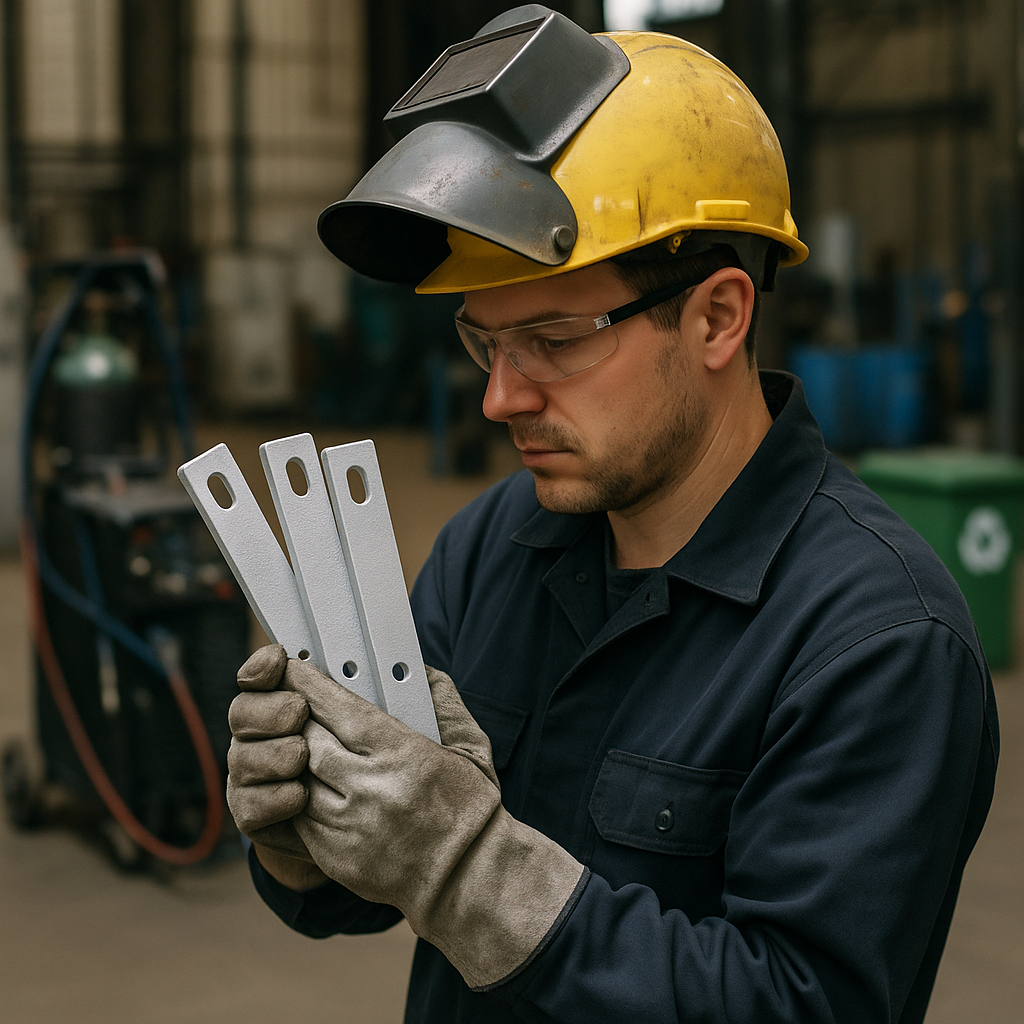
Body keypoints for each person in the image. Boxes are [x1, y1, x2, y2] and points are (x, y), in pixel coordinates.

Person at [224, 7, 999, 1023]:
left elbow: (798, 1005)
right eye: (484, 342)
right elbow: (373, 891)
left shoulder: (878, 642)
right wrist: (303, 838)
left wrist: (471, 871)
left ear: (718, 316)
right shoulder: (490, 547)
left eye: (552, 337)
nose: (502, 397)